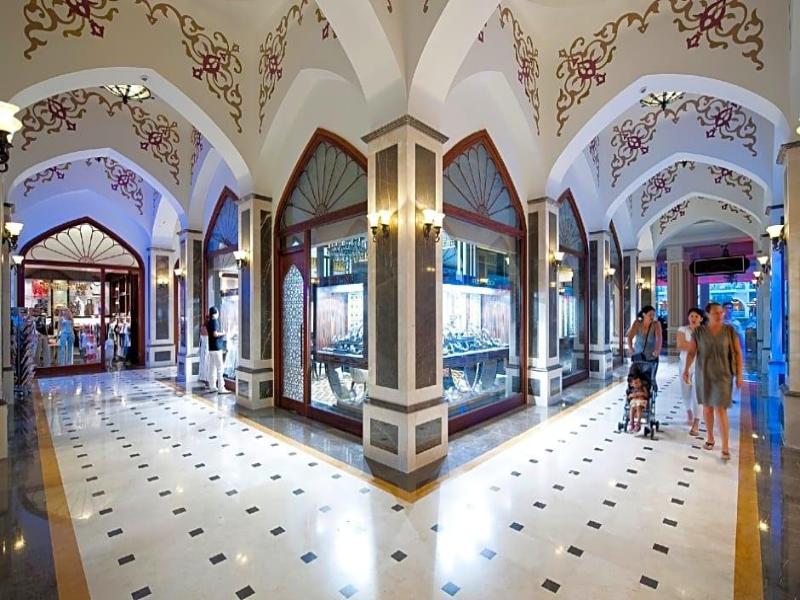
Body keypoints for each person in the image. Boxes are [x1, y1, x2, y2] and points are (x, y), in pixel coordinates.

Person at [682, 302, 744, 461]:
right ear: (708, 315)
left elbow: (738, 353)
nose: (719, 315)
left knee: (720, 409)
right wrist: (686, 370)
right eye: (716, 312)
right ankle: (710, 438)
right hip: (704, 374)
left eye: (721, 312)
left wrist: (739, 374)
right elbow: (691, 352)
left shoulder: (729, 331)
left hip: (724, 375)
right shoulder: (699, 332)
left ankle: (725, 447)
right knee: (708, 408)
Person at [677, 308, 705, 436]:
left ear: (701, 319)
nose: (693, 318)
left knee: (698, 395)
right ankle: (688, 410)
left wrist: (690, 345)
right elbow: (681, 345)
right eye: (691, 316)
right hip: (684, 365)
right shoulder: (682, 330)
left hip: (700, 366)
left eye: (696, 316)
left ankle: (696, 422)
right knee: (685, 391)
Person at [626, 305, 662, 371]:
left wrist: (657, 350)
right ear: (644, 314)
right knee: (637, 376)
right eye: (650, 315)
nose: (652, 317)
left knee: (649, 376)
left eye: (653, 315)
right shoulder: (637, 323)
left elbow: (659, 339)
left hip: (651, 357)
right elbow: (630, 337)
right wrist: (630, 348)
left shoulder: (656, 324)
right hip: (638, 356)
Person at [206, 306, 227, 394]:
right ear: (215, 313)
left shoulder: (209, 322)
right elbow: (215, 334)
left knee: (212, 368)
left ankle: (212, 386)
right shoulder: (214, 321)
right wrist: (223, 333)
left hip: (211, 348)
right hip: (217, 348)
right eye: (217, 312)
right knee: (220, 368)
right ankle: (221, 388)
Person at [626, 368, 651, 433]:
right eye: (636, 383)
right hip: (634, 401)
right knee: (632, 408)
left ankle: (638, 423)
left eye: (639, 382)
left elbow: (647, 395)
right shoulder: (632, 389)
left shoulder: (643, 387)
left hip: (641, 401)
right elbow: (629, 396)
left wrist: (641, 393)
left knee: (638, 406)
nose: (638, 384)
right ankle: (631, 423)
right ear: (631, 384)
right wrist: (632, 395)